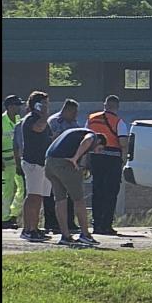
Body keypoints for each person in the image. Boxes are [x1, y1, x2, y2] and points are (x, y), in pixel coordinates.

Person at [44, 128, 106, 246]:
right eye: (100, 149)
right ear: (99, 141)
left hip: (49, 164)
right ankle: (85, 235)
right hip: (64, 164)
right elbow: (87, 141)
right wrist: (75, 158)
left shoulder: (75, 133)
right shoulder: (92, 136)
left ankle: (65, 236)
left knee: (60, 200)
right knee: (79, 200)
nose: (98, 152)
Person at [86, 95, 129, 235]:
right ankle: (106, 224)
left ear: (105, 105)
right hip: (112, 159)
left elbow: (86, 138)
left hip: (95, 157)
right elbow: (123, 143)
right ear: (117, 106)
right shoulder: (119, 122)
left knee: (97, 191)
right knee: (110, 193)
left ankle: (96, 223)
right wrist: (123, 160)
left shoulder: (91, 118)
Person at [19, 91, 53, 242]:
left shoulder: (44, 121)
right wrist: (44, 114)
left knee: (39, 197)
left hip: (43, 163)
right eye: (44, 103)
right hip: (32, 163)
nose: (47, 106)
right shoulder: (31, 119)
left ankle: (35, 227)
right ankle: (27, 229)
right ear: (37, 104)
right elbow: (37, 128)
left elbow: (50, 135)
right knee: (32, 196)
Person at [44, 99, 80, 232]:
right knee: (52, 194)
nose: (76, 115)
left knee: (70, 193)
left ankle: (69, 223)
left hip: (69, 162)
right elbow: (49, 140)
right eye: (74, 112)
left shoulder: (74, 123)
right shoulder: (54, 121)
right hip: (55, 161)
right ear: (67, 110)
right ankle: (52, 223)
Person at [2, 95, 26, 229]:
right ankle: (4, 219)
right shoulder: (2, 121)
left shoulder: (19, 120)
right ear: (10, 107)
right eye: (17, 105)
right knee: (7, 190)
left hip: (17, 160)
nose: (19, 108)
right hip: (4, 162)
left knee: (22, 189)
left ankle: (13, 214)